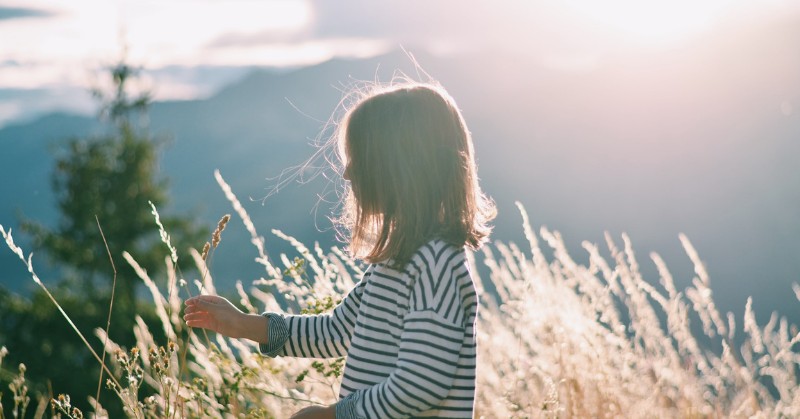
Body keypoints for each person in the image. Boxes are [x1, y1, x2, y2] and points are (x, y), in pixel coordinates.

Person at [184, 80, 496, 418]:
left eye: (359, 159)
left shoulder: (436, 265)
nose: (347, 173)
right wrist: (245, 325)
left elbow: (420, 386)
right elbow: (336, 331)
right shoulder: (395, 261)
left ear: (400, 168)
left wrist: (333, 415)